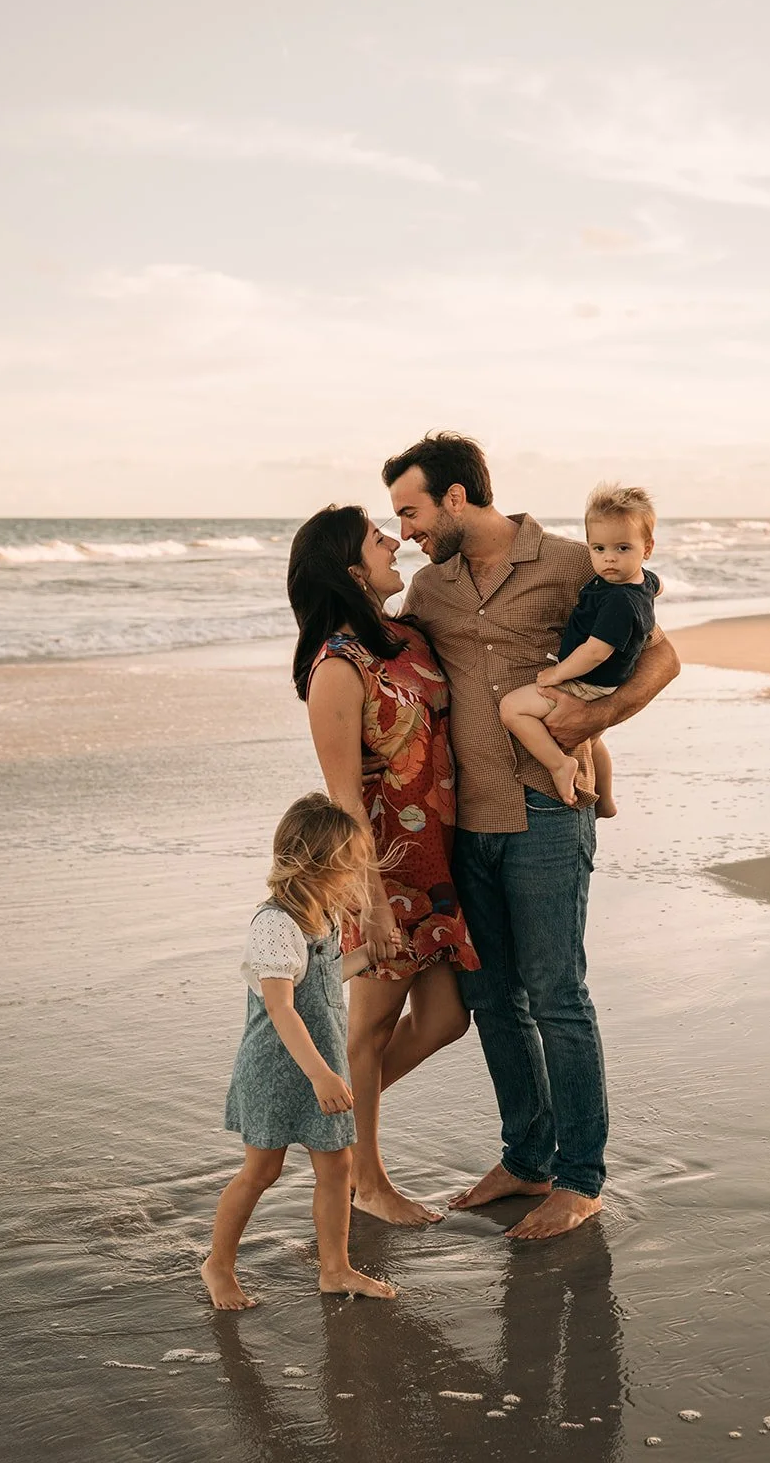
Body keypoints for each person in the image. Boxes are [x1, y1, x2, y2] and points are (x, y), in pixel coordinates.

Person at [384, 433, 679, 1240]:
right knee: (493, 999)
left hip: (546, 811)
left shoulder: (568, 560)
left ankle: (580, 1180)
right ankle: (525, 1158)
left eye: (409, 510)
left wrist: (598, 715)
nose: (404, 528)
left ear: (453, 497)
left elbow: (662, 657)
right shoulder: (426, 589)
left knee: (557, 996)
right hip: (462, 821)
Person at [288, 505, 479, 1227]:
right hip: (379, 871)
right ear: (348, 570)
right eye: (378, 539)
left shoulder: (406, 637)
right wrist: (367, 900)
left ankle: (331, 1111)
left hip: (437, 857)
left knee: (444, 1020)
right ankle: (364, 1180)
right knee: (367, 1031)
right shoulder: (337, 665)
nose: (396, 540)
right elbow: (343, 798)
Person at [201, 791, 399, 1310]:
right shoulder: (274, 925)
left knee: (337, 1167)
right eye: (349, 868)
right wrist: (321, 1076)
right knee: (261, 1172)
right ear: (317, 867)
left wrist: (365, 956)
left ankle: (336, 1269)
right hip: (278, 1068)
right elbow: (283, 1009)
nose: (356, 879)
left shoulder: (323, 919)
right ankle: (217, 1264)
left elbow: (321, 982)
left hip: (322, 1063)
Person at [499, 483, 661, 816]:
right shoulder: (642, 581)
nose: (609, 559)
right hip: (609, 681)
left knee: (513, 708)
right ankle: (606, 800)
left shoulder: (618, 600)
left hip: (588, 680)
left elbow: (594, 652)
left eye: (622, 548)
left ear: (647, 548)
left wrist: (557, 673)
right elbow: (657, 585)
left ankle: (559, 765)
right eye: (598, 548)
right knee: (594, 741)